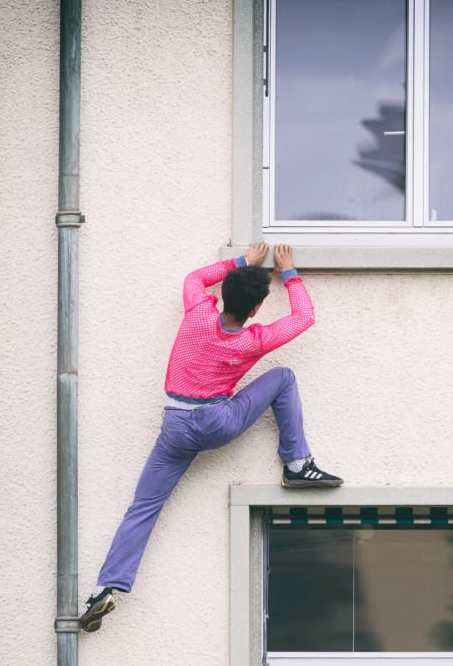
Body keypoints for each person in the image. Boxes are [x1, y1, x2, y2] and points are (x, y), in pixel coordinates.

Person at [79, 242, 342, 633]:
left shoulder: (198, 313)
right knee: (282, 377)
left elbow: (194, 278)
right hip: (219, 424)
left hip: (175, 427)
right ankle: (297, 464)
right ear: (255, 310)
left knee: (143, 507)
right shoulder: (255, 339)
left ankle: (105, 587)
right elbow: (303, 317)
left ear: (221, 297)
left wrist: (241, 262)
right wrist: (289, 272)